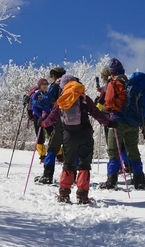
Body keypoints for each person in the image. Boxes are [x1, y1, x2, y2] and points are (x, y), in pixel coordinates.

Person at [45, 74, 112, 203]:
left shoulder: (62, 99)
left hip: (69, 135)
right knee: (84, 164)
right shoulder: (84, 98)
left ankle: (64, 194)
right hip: (85, 134)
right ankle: (82, 195)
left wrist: (43, 123)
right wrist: (109, 123)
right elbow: (96, 113)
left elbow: (52, 117)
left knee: (68, 164)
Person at [99, 58, 145, 190]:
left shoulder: (113, 84)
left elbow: (109, 102)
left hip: (118, 122)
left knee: (113, 150)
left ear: (112, 73)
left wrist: (104, 109)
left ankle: (111, 180)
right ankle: (138, 179)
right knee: (133, 149)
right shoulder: (130, 84)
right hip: (133, 123)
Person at [35, 67, 66, 185]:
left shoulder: (56, 85)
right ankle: (73, 177)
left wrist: (32, 102)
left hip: (61, 120)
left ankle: (47, 176)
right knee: (71, 148)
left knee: (52, 148)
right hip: (77, 122)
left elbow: (44, 102)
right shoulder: (74, 84)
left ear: (54, 75)